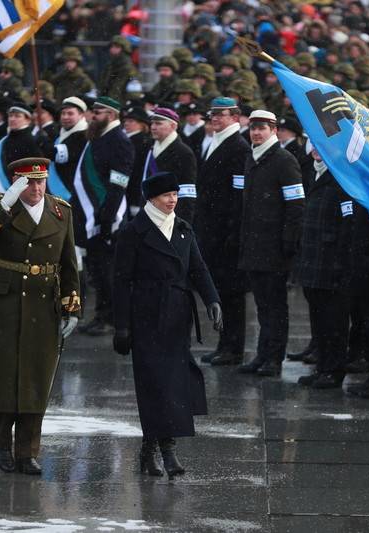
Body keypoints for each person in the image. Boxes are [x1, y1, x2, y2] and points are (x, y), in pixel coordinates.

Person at [0, 157, 80, 475]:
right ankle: (2, 446)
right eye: (28, 183)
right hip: (3, 303)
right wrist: (4, 204)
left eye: (40, 181)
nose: (36, 188)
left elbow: (69, 262)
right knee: (3, 377)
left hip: (44, 303)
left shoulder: (60, 211)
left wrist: (72, 307)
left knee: (35, 378)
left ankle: (27, 451)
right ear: (16, 183)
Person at [112, 171, 222, 479]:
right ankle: (153, 451)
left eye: (175, 194)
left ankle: (166, 449)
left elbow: (198, 268)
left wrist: (213, 300)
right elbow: (120, 281)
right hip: (145, 316)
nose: (172, 200)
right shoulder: (134, 232)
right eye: (165, 196)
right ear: (151, 198)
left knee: (174, 384)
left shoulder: (184, 229)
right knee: (153, 385)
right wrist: (121, 326)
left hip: (177, 316)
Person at [234, 110, 304, 375]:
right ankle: (263, 355)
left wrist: (288, 243)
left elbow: (296, 205)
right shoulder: (252, 159)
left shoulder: (284, 160)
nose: (256, 133)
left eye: (262, 128)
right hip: (254, 245)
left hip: (274, 247)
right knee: (263, 306)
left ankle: (274, 358)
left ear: (273, 130)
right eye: (253, 128)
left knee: (275, 306)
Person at [194, 97, 250, 364]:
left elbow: (237, 195)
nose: (215, 118)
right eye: (212, 114)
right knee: (222, 291)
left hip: (225, 231)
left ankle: (233, 347)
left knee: (231, 293)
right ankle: (225, 343)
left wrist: (231, 233)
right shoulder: (215, 142)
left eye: (221, 114)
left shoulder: (238, 147)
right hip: (211, 229)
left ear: (236, 117)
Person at [294, 147, 356, 388]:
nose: (316, 152)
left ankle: (334, 369)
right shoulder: (314, 174)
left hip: (333, 263)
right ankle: (322, 366)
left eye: (322, 147)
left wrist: (343, 262)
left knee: (334, 321)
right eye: (314, 147)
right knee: (319, 319)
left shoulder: (341, 179)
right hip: (313, 258)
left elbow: (349, 224)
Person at [73, 97, 134, 336]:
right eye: (93, 112)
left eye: (98, 112)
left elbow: (119, 182)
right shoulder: (96, 137)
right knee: (97, 270)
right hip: (91, 214)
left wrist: (107, 217)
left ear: (111, 114)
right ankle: (101, 313)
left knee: (110, 272)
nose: (92, 116)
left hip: (108, 216)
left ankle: (112, 318)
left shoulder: (119, 141)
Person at [146, 106, 197, 224]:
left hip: (170, 217)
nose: (153, 127)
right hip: (150, 211)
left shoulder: (184, 152)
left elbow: (186, 194)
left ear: (173, 126)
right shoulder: (150, 147)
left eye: (158, 123)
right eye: (152, 123)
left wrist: (182, 224)